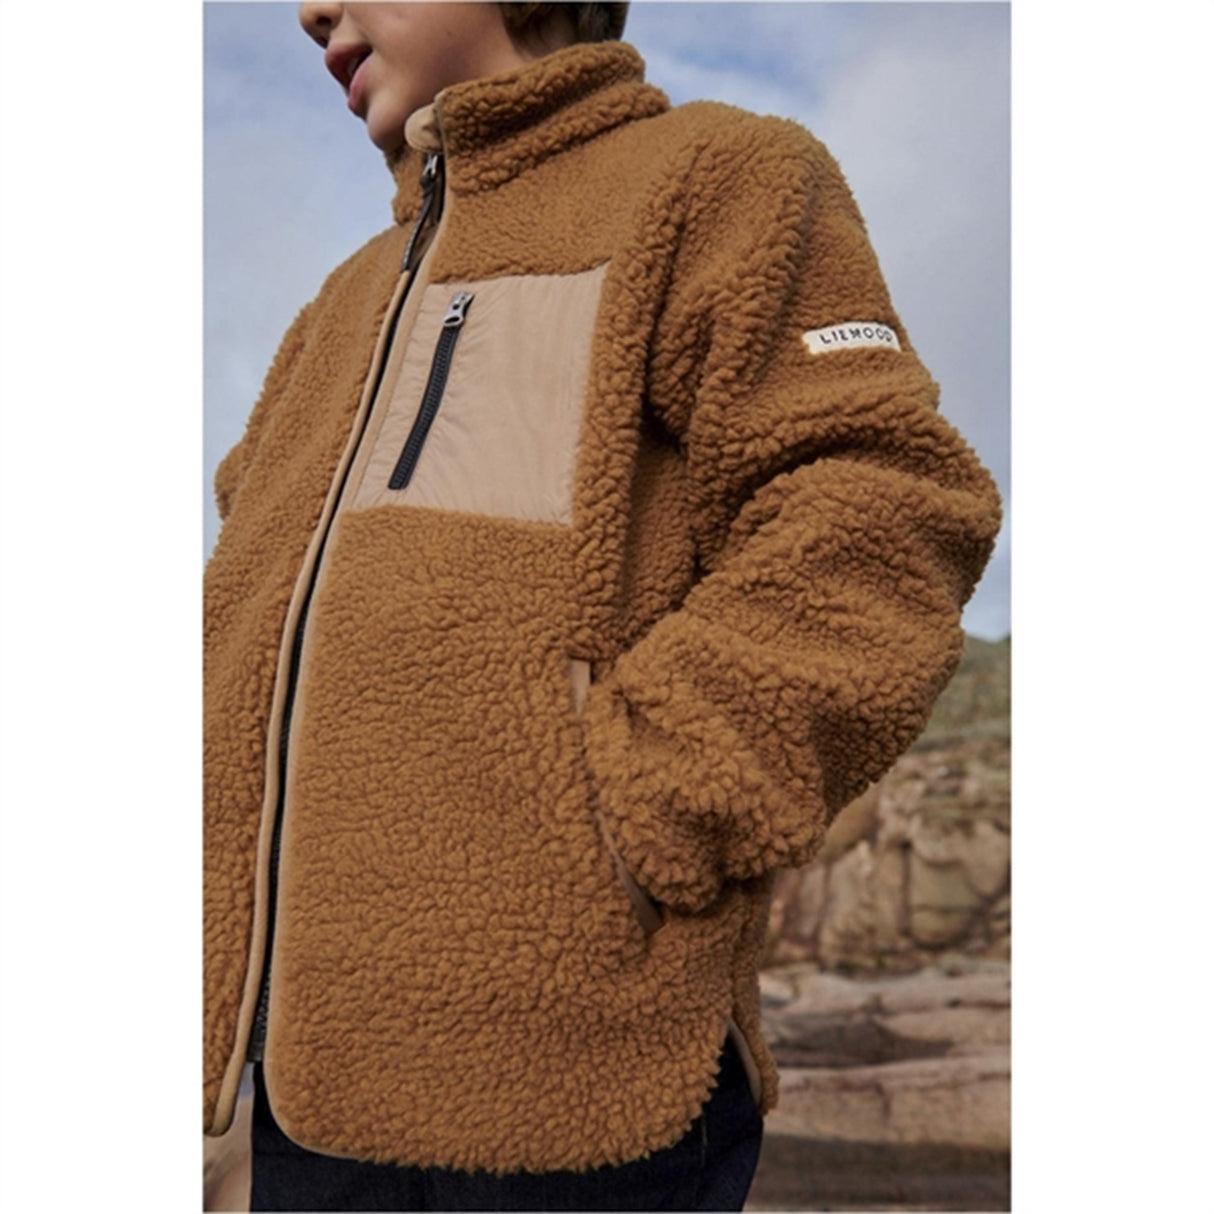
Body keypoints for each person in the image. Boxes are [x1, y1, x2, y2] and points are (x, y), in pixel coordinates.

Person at [203, 3, 1002, 1210]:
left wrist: (638, 816)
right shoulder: (335, 309)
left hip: (578, 1092)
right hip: (304, 1098)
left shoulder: (717, 177)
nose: (309, 8)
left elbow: (881, 505)